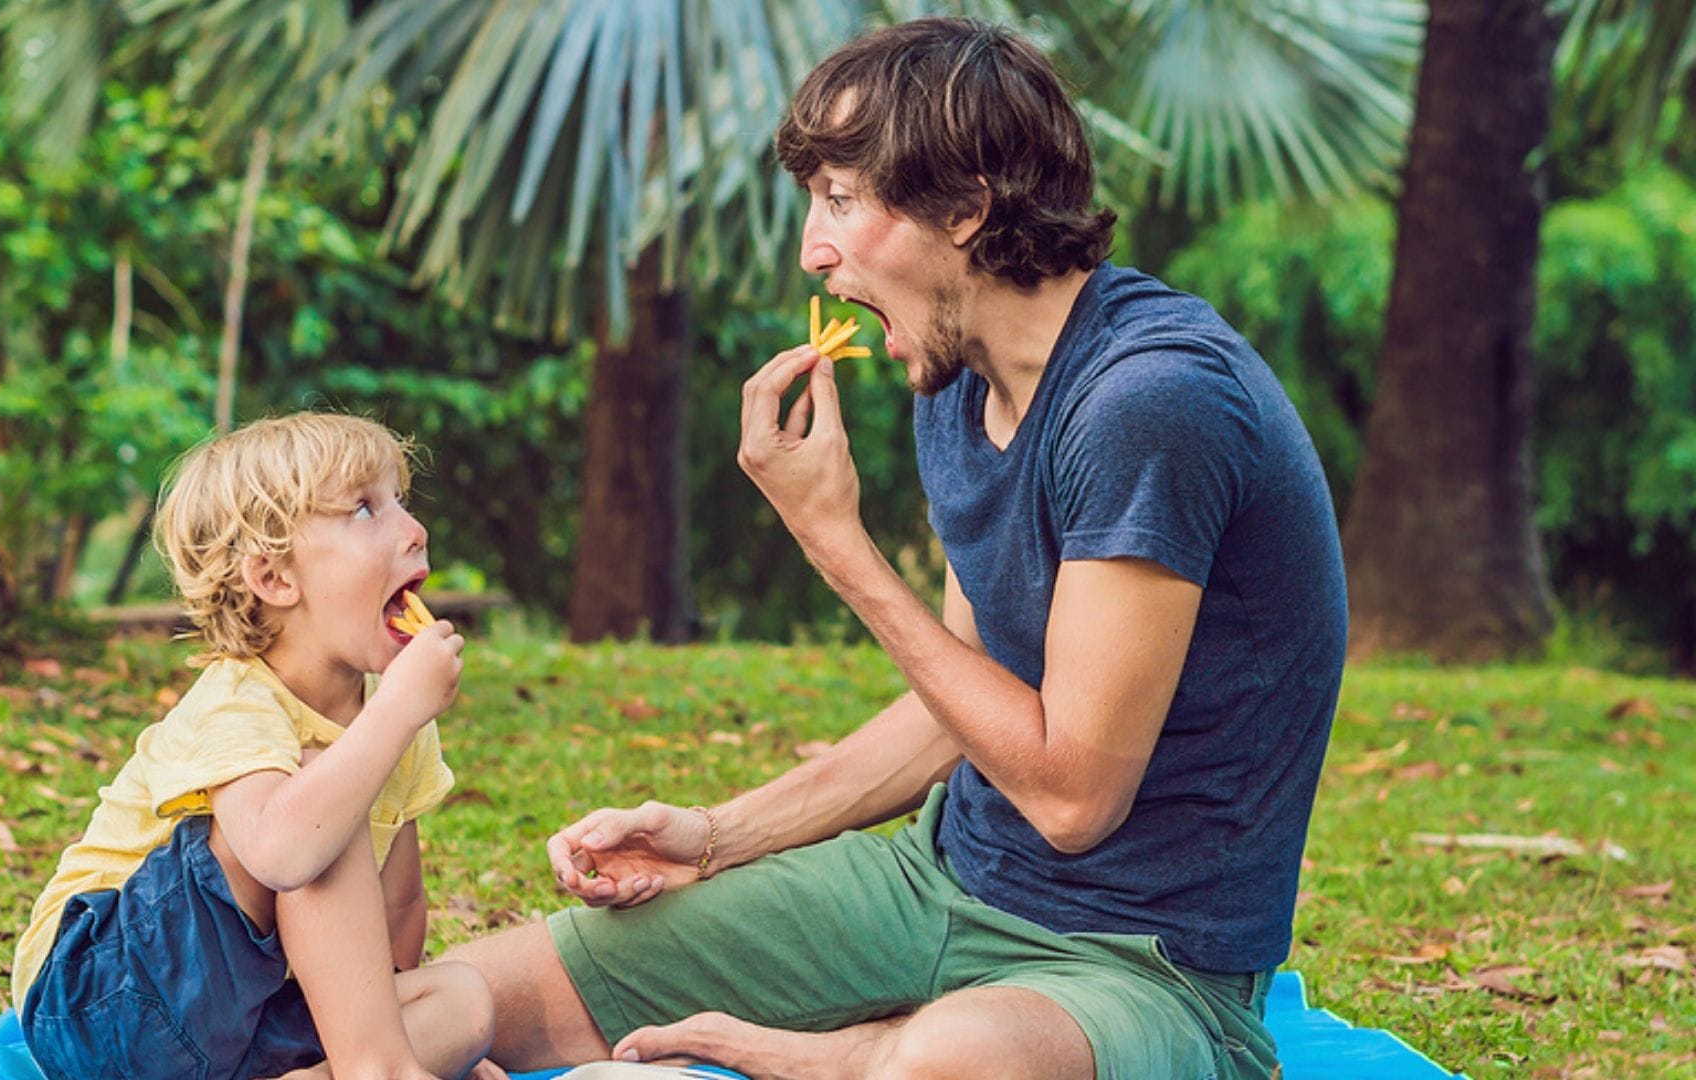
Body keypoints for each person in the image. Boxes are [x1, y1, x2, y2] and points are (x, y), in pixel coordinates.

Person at [446, 16, 1347, 1080]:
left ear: (965, 208)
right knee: (476, 995)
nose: (810, 251)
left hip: (1144, 967)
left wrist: (839, 549)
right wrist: (715, 835)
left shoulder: (1149, 405)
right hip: (939, 887)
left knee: (950, 1062)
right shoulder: (955, 381)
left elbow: (1068, 799)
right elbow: (959, 713)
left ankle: (855, 1053)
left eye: (838, 200)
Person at [11, 412, 495, 1080]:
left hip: (238, 1021)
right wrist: (397, 711)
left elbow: (399, 908)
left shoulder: (390, 712)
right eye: (364, 510)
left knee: (464, 1002)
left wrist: (391, 1037)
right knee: (317, 800)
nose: (415, 531)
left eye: (401, 503)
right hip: (96, 998)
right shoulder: (237, 700)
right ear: (274, 579)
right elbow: (281, 849)